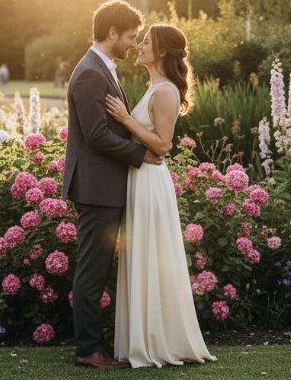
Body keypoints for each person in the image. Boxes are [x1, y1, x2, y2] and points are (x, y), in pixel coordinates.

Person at [106, 23, 215, 368]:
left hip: (151, 183)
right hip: (140, 179)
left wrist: (125, 119)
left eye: (146, 43)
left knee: (150, 255)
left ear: (162, 51)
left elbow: (163, 145)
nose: (139, 46)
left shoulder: (165, 91)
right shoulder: (154, 88)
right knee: (142, 257)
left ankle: (155, 342)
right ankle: (142, 338)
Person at [63, 0, 163, 370]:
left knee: (97, 268)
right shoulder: (90, 72)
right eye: (131, 37)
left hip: (103, 186)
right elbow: (96, 135)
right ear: (111, 34)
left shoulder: (101, 68)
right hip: (97, 188)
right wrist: (141, 154)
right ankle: (88, 350)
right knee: (92, 269)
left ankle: (94, 344)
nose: (134, 45)